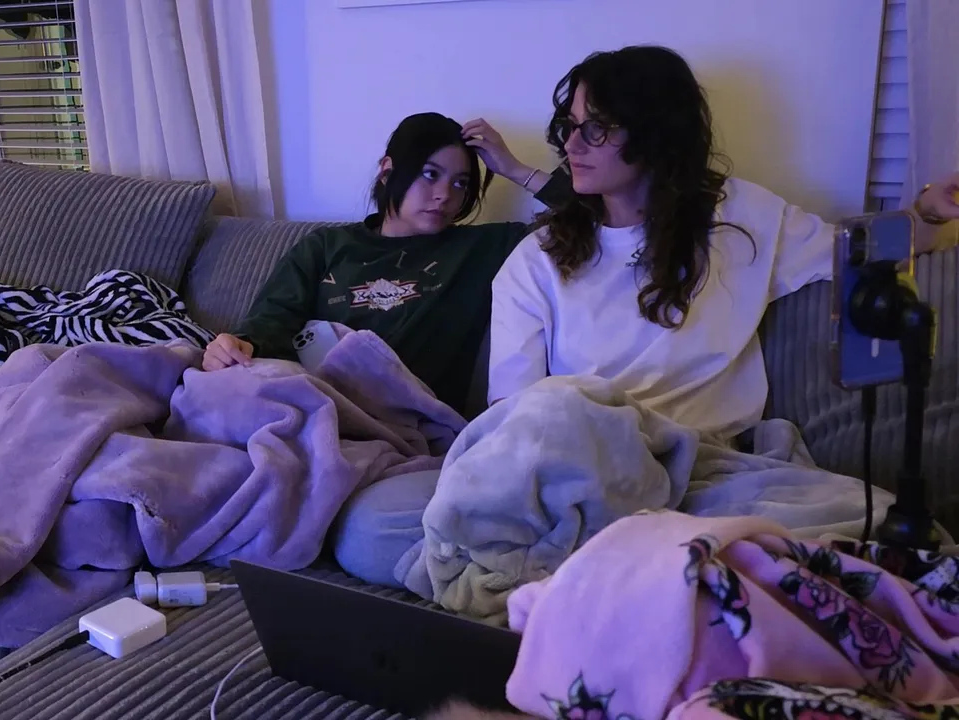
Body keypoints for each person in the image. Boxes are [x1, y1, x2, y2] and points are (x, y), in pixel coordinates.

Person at [332, 44, 959, 589]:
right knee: (370, 525)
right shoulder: (535, 259)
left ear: (655, 133)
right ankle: (637, 570)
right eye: (570, 126)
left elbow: (859, 250)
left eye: (596, 129)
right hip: (565, 474)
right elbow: (512, 420)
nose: (570, 144)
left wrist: (929, 216)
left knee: (889, 528)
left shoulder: (740, 221)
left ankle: (607, 573)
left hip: (700, 472)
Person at [201, 111, 572, 414]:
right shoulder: (327, 246)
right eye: (430, 174)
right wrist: (236, 346)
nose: (444, 195)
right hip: (305, 399)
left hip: (399, 420)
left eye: (460, 183)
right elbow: (270, 322)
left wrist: (514, 169)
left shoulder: (480, 249)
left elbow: (593, 216)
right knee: (187, 372)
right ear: (387, 170)